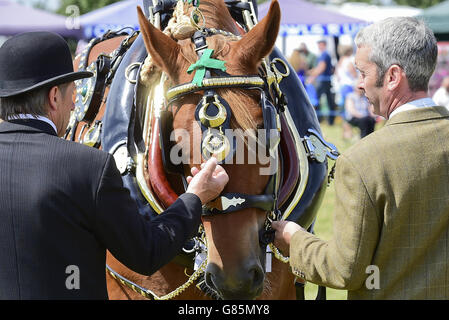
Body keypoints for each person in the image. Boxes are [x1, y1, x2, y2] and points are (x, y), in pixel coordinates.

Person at [0, 32, 229, 299]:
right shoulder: (88, 167)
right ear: (53, 97)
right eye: (73, 94)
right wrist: (195, 196)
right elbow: (146, 252)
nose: (75, 104)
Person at [273, 17, 449, 299]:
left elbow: (345, 269)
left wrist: (293, 239)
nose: (358, 85)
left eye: (362, 72)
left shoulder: (362, 161)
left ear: (393, 76)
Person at [307, 39, 337, 125]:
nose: (319, 46)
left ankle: (319, 119)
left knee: (316, 99)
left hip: (323, 80)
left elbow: (321, 67)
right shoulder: (325, 55)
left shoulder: (324, 54)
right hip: (324, 80)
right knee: (328, 100)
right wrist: (310, 72)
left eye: (320, 44)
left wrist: (312, 77)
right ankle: (329, 120)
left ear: (323, 45)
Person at [335, 44, 358, 139]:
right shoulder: (348, 61)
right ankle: (349, 133)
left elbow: (337, 75)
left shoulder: (340, 61)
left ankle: (345, 132)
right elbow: (354, 74)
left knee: (344, 111)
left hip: (342, 87)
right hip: (349, 87)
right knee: (349, 111)